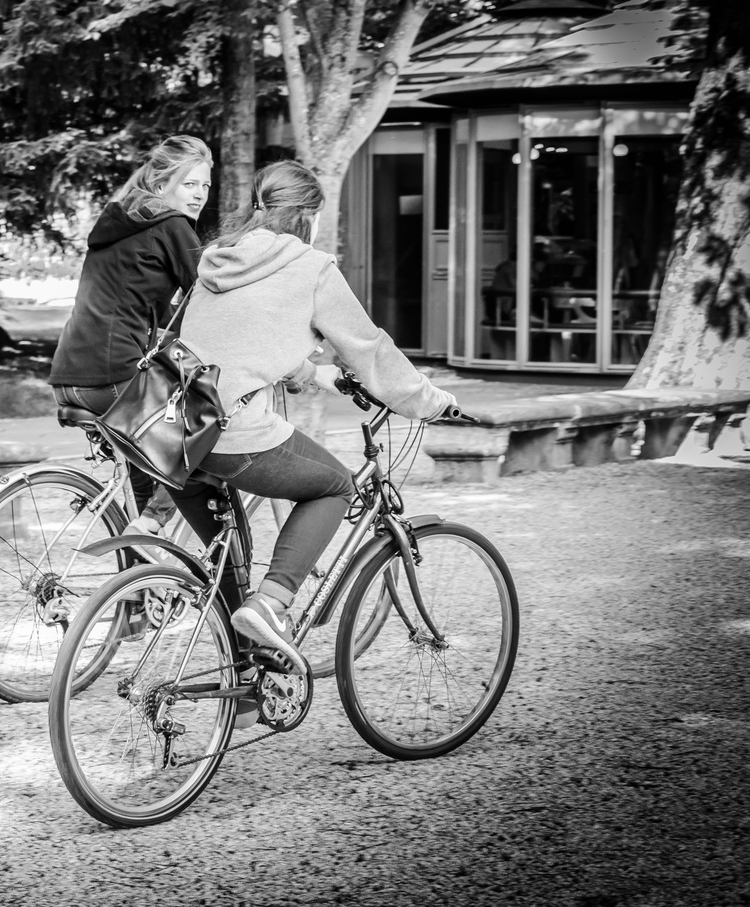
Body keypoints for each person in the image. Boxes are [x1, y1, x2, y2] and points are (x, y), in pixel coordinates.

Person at [167, 160, 458, 670]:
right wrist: (430, 401)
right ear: (308, 214)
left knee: (228, 567)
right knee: (336, 486)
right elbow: (369, 349)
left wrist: (304, 373)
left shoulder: (217, 258)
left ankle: (250, 686)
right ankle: (275, 601)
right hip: (235, 431)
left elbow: (236, 342)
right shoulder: (311, 266)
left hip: (177, 436)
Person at [48, 135, 212, 533]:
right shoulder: (172, 226)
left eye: (206, 186)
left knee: (146, 468)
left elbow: (154, 307)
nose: (199, 196)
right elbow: (210, 296)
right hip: (113, 376)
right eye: (189, 184)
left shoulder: (121, 226)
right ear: (161, 185)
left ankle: (139, 585)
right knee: (209, 423)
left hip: (69, 376)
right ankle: (153, 523)